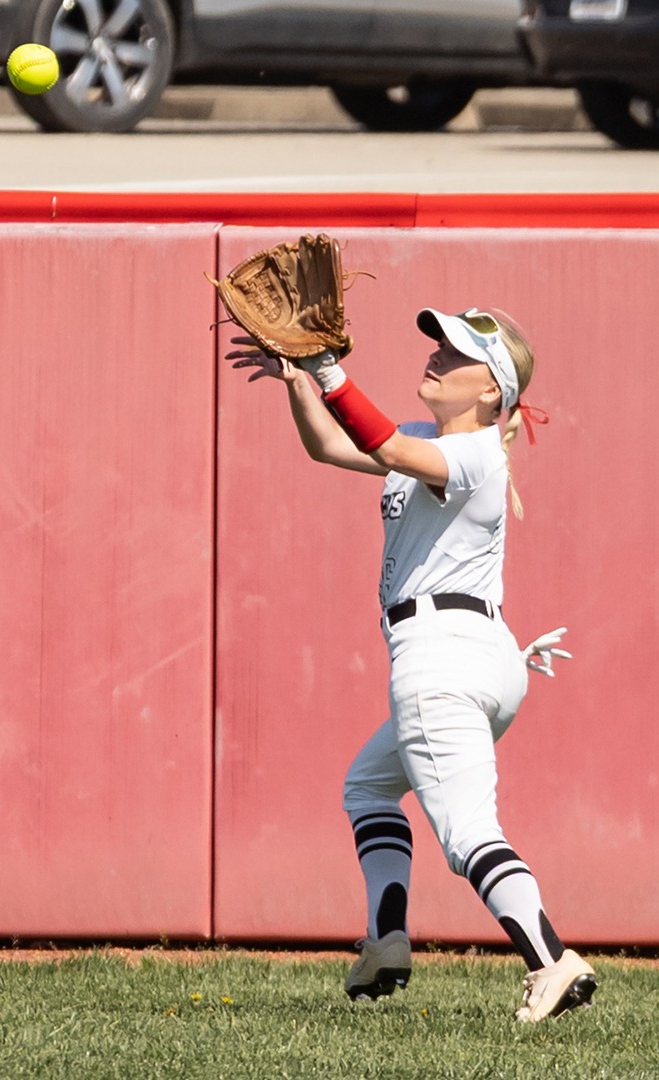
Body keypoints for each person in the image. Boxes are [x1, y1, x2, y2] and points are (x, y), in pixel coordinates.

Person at [228, 305, 595, 1023]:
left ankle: (550, 960)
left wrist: (331, 369)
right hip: (475, 654)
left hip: (441, 657)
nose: (436, 356)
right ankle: (388, 940)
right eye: (437, 344)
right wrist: (300, 382)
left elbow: (387, 447)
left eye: (454, 353)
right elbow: (333, 448)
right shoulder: (430, 439)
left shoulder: (479, 451)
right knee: (368, 786)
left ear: (491, 391)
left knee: (466, 836)